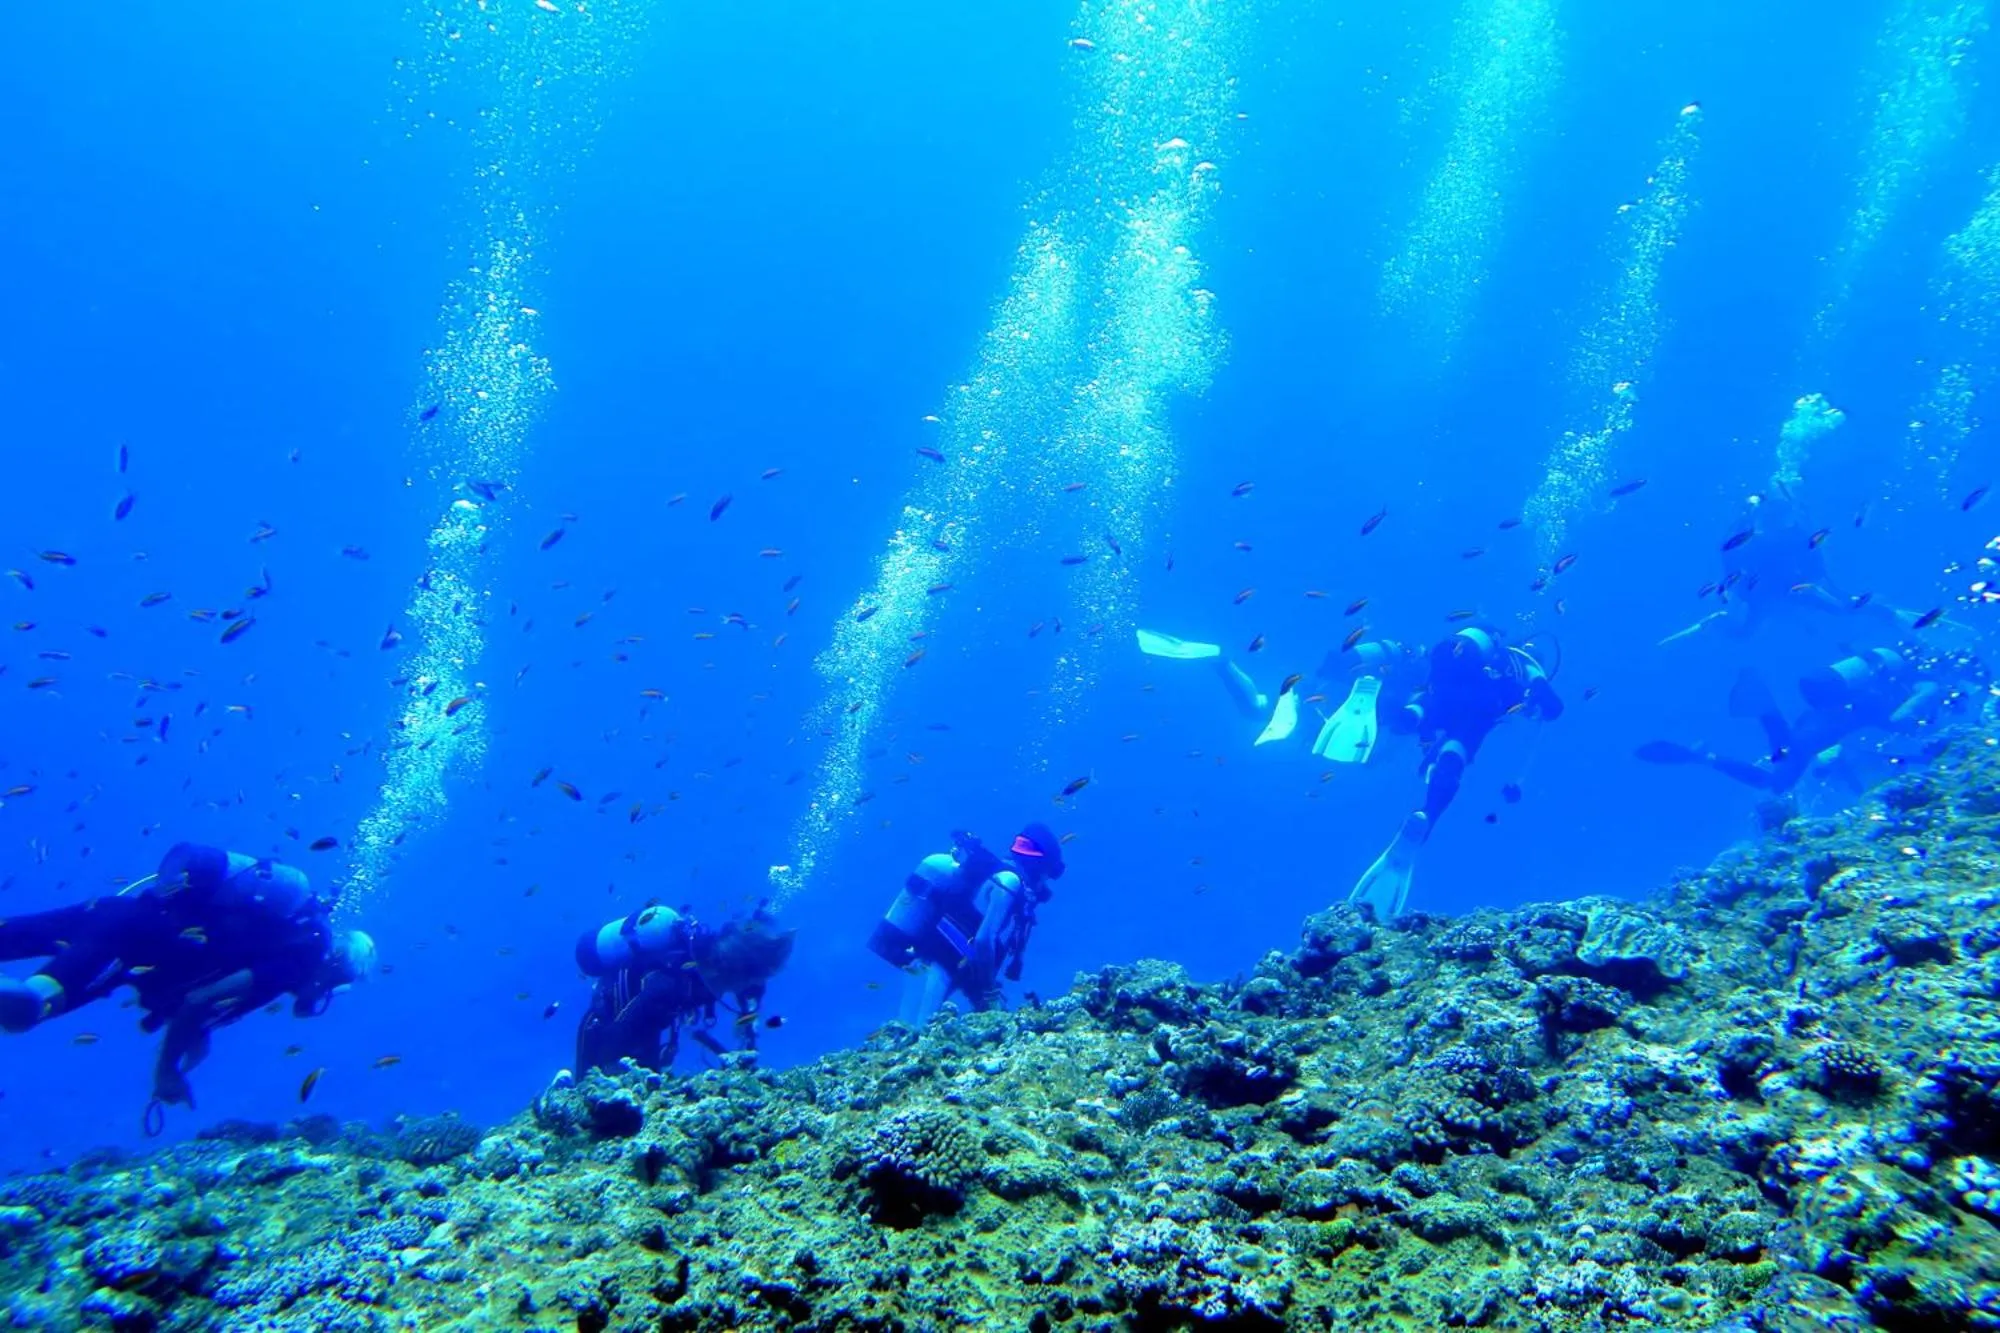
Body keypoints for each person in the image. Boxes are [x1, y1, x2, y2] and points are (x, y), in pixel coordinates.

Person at [0, 842, 375, 1132]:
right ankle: (32, 993)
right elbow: (199, 999)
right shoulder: (296, 962)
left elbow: (201, 996)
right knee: (31, 1003)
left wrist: (198, 1031)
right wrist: (167, 1071)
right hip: (129, 941)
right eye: (333, 988)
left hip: (115, 912)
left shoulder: (286, 939)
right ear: (332, 973)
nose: (322, 998)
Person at [1349, 625, 1563, 919]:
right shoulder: (1524, 666)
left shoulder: (1484, 655)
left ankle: (1385, 699)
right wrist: (1542, 698)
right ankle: (1428, 814)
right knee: (1457, 748)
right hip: (1478, 707)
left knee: (1420, 710)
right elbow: (1553, 706)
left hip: (1445, 690)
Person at [1636, 646, 1984, 796]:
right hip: (1843, 718)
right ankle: (1763, 708)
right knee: (1781, 772)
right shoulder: (1928, 684)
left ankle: (1706, 754)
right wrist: (1916, 730)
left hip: (1828, 715)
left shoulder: (1902, 673)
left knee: (1779, 775)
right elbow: (1900, 718)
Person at [1660, 492, 1918, 646]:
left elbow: (1816, 567)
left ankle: (1889, 614)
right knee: (1745, 633)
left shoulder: (1779, 537)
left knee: (1843, 609)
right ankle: (1888, 614)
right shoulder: (1767, 538)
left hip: (1784, 591)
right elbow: (1817, 568)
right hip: (1776, 593)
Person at [1135, 628, 1424, 763]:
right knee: (1258, 711)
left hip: (1316, 702)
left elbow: (1333, 663)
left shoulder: (1404, 677)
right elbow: (1397, 729)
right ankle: (1222, 661)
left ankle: (1222, 661)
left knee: (1258, 709)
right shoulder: (1411, 686)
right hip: (1320, 706)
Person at [868, 824, 1064, 1022]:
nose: (1044, 884)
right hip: (939, 962)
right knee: (915, 1030)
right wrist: (988, 992)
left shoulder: (1002, 877)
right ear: (1039, 866)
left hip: (940, 962)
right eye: (1048, 873)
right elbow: (983, 940)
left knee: (913, 1029)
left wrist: (980, 990)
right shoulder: (1009, 883)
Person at [573, 901, 794, 1075]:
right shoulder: (671, 983)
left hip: (648, 1022)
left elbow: (750, 1018)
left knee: (644, 1079)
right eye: (758, 976)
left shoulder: (729, 970)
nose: (757, 984)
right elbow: (622, 1027)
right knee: (599, 1093)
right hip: (608, 1016)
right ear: (738, 970)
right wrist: (605, 1071)